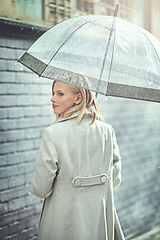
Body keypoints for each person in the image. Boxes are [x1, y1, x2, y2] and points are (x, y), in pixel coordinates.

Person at [32, 78, 125, 240]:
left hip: (63, 222)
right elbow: (115, 180)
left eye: (60, 93)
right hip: (99, 220)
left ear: (78, 98)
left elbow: (41, 189)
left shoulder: (52, 133)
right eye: (53, 93)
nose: (52, 98)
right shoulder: (107, 131)